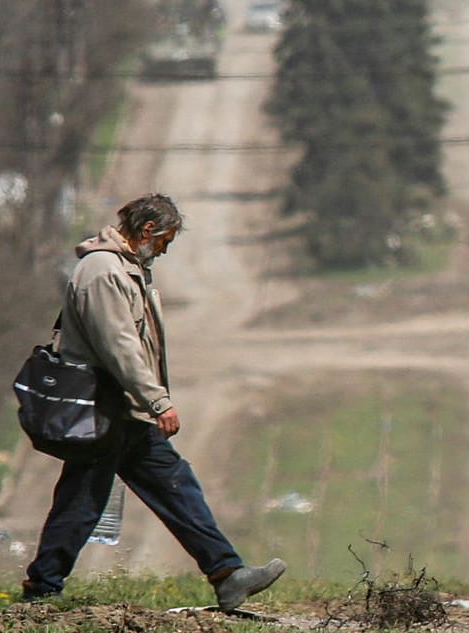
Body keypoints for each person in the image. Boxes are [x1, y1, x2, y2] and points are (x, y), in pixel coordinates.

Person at [22, 193, 285, 611]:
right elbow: (120, 347)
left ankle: (227, 573)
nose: (164, 249)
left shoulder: (124, 268)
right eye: (165, 241)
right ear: (148, 231)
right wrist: (158, 402)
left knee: (173, 483)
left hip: (120, 409)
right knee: (84, 498)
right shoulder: (103, 272)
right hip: (102, 405)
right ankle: (42, 589)